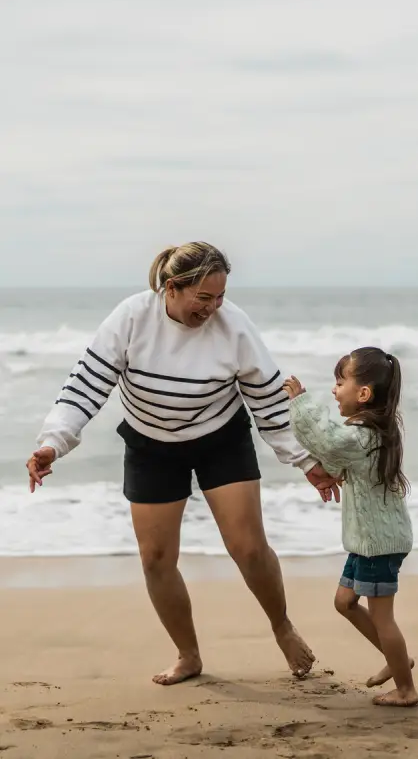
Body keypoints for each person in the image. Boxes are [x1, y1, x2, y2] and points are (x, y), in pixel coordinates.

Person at [26, 241, 341, 686]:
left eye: (220, 297)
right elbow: (86, 385)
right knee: (155, 558)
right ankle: (188, 654)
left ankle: (282, 626)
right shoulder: (133, 318)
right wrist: (52, 444)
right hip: (151, 445)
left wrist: (307, 461)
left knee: (248, 548)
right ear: (171, 289)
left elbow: (268, 402)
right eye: (203, 298)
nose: (212, 308)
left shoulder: (235, 328)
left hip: (220, 440)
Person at [281, 346, 417, 707]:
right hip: (368, 541)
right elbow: (337, 456)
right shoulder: (370, 433)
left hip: (380, 544)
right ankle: (398, 660)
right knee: (344, 602)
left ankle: (406, 687)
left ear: (363, 394)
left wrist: (302, 403)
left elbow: (328, 441)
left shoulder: (364, 436)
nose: (334, 390)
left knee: (383, 617)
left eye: (340, 382)